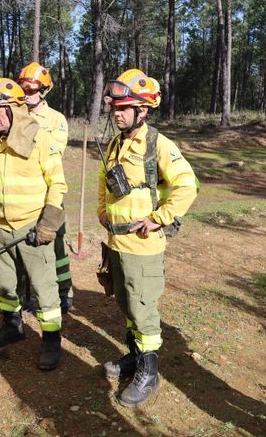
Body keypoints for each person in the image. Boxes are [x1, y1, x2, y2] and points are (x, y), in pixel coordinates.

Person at [96, 69, 197, 407]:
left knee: (143, 311)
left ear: (143, 110)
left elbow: (187, 185)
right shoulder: (114, 143)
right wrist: (100, 211)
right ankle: (135, 357)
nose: (117, 112)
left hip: (142, 247)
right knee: (126, 305)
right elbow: (102, 181)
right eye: (116, 107)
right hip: (116, 244)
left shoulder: (158, 144)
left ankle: (149, 373)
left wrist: (159, 219)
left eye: (125, 107)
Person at [0, 78, 68, 370]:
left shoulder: (40, 139)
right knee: (6, 285)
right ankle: (12, 326)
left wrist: (48, 224)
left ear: (15, 109)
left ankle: (51, 339)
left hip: (32, 227)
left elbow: (57, 185)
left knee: (43, 287)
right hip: (0, 227)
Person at [17, 61, 73, 313]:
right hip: (22, 192)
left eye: (31, 90)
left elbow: (54, 153)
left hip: (48, 190)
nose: (26, 95)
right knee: (22, 241)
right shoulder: (15, 114)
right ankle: (23, 293)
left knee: (55, 243)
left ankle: (63, 293)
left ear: (43, 91)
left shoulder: (56, 120)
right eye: (23, 90)